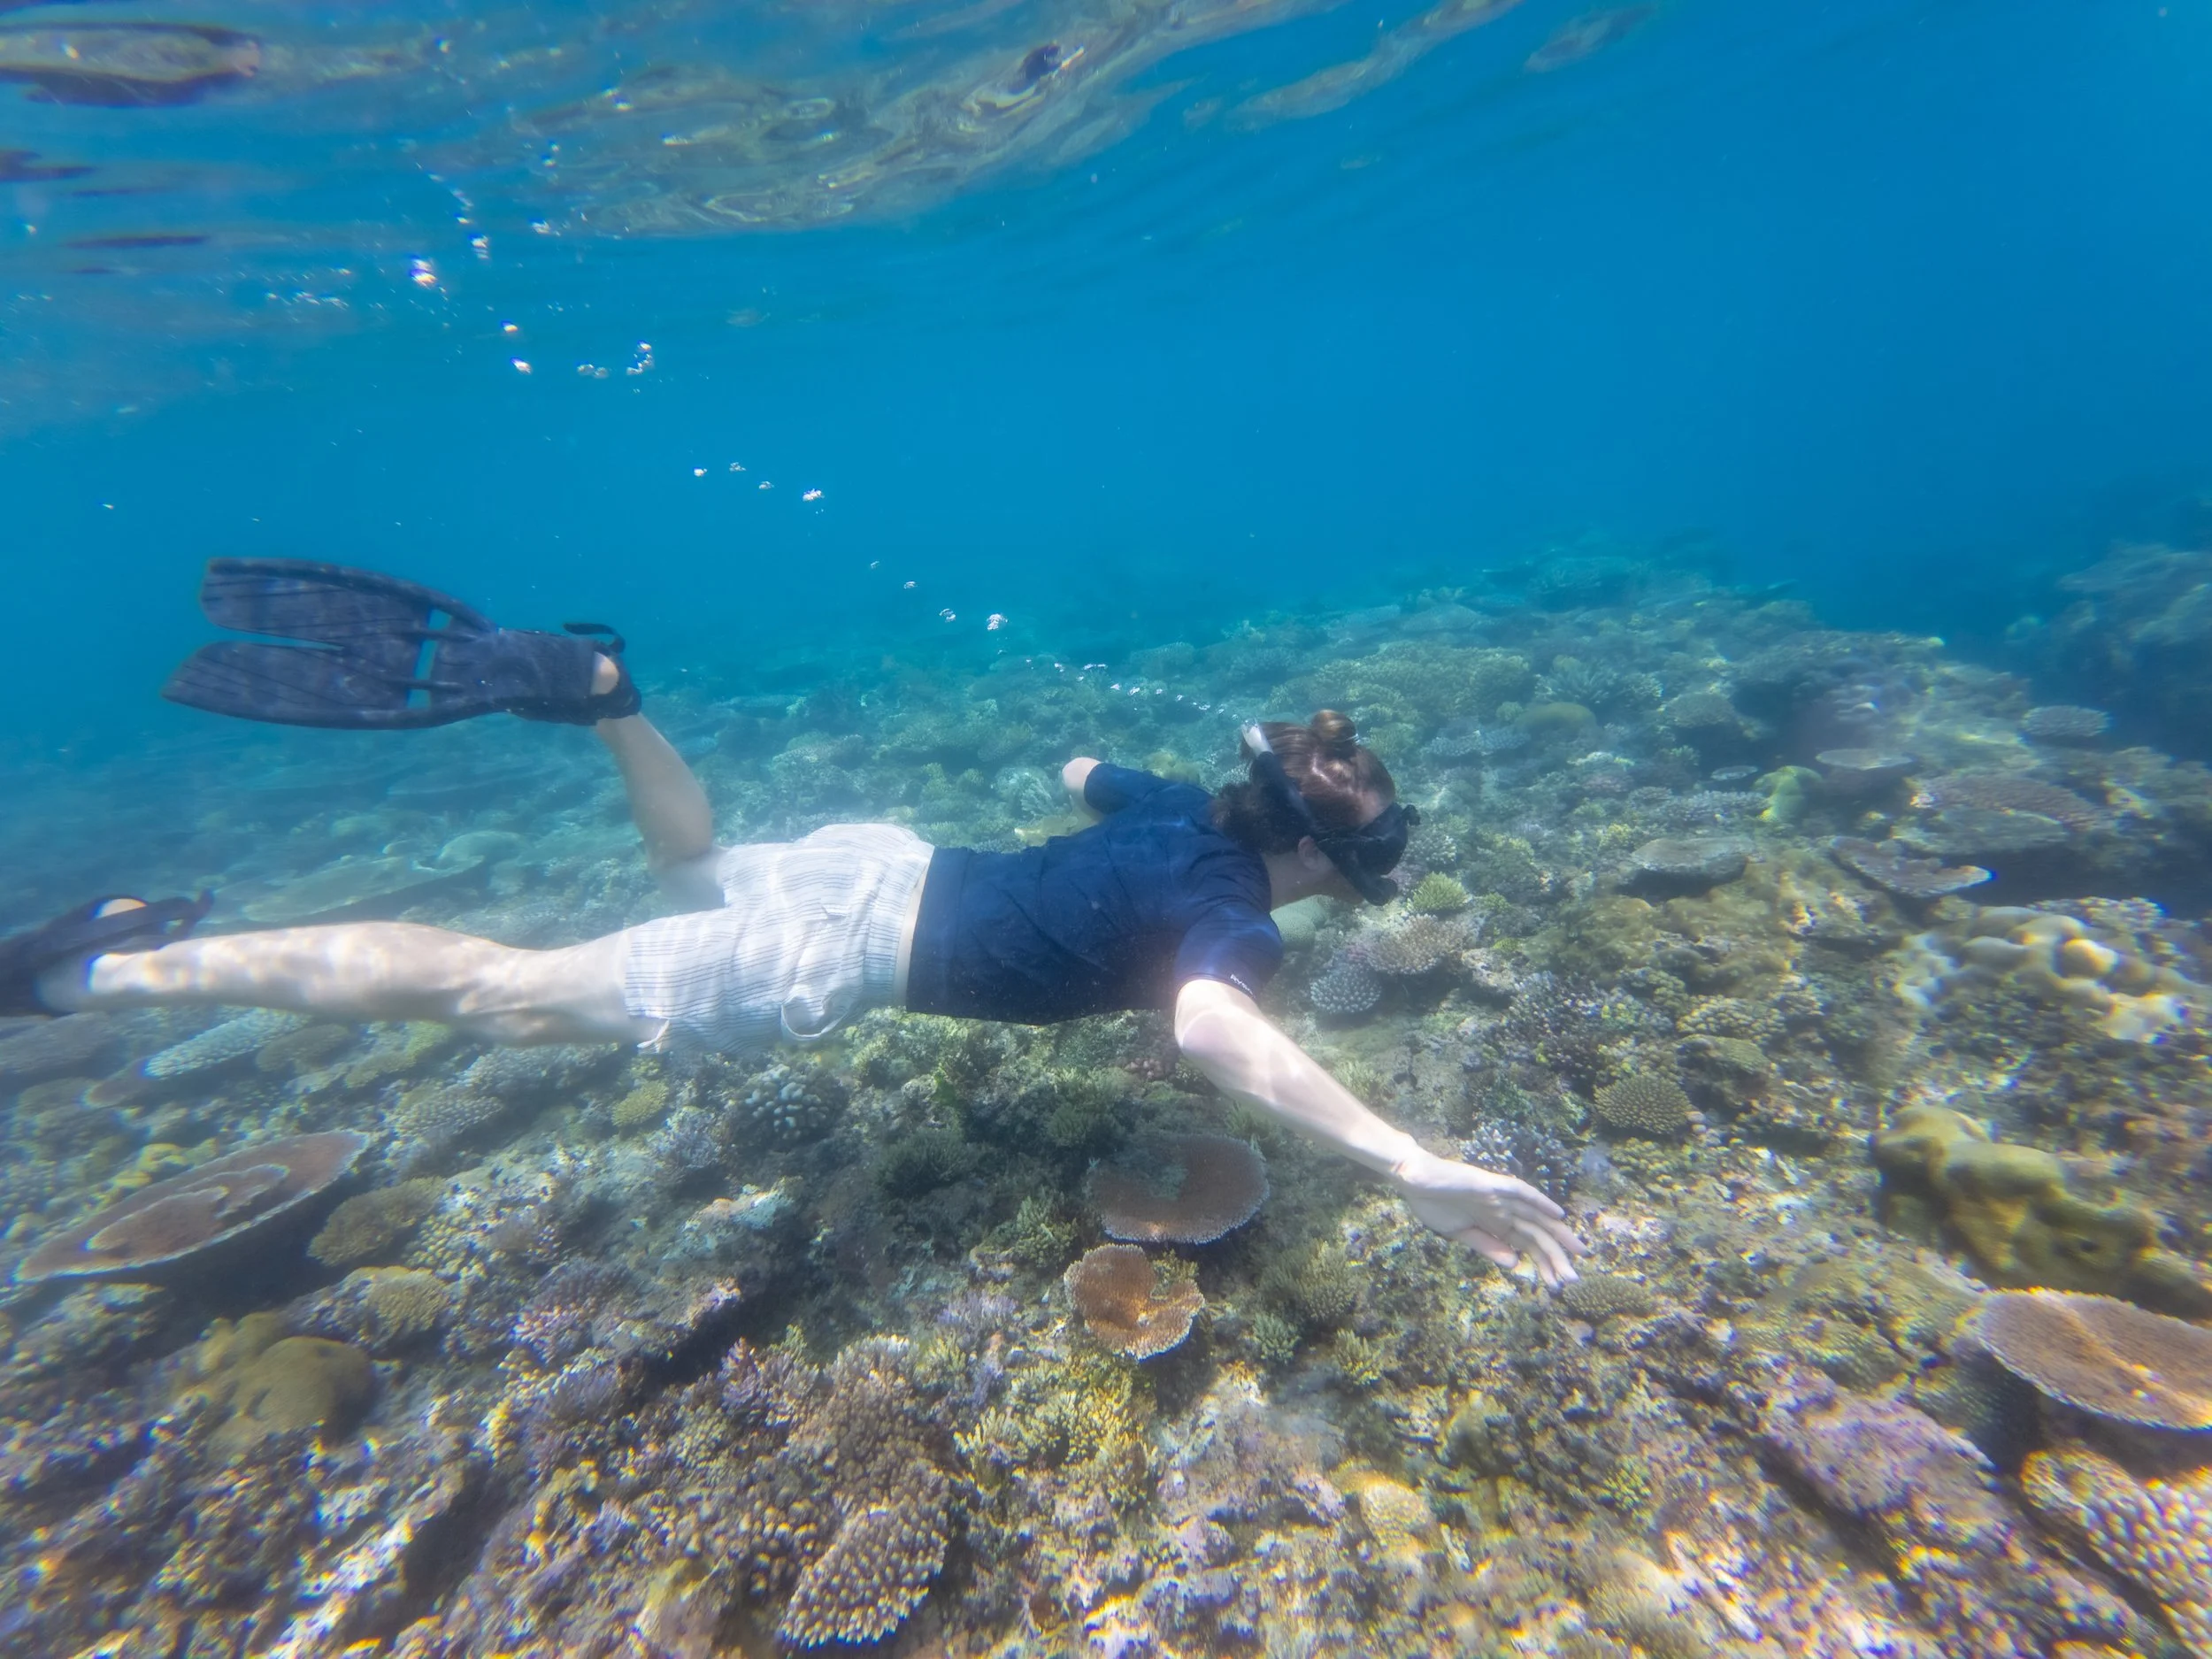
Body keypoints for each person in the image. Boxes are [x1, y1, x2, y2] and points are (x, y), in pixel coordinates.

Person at [0, 560, 1584, 1286]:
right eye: (1356, 879)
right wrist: (1407, 1159)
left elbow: (1075, 762)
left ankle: (616, 705)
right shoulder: (1225, 901)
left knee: (695, 869)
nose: (1343, 904)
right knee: (496, 994)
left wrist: (1115, 781)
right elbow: (1211, 1025)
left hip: (872, 863)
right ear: (1313, 860)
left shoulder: (1180, 810)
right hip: (838, 951)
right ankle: (96, 972)